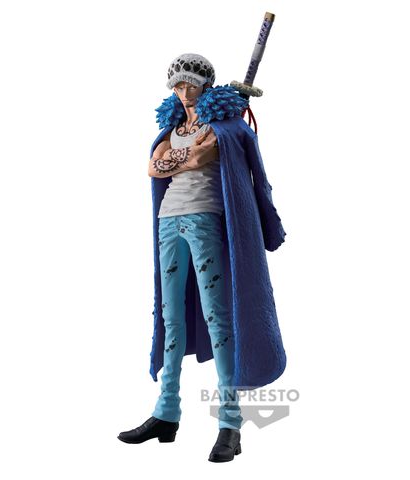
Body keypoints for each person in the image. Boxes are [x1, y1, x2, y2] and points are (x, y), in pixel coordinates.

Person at [118, 53, 287, 463]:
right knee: (170, 316)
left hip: (204, 220)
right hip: (168, 222)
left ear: (205, 85)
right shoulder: (172, 129)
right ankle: (166, 413)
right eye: (177, 85)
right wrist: (181, 157)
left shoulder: (224, 128)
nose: (184, 91)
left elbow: (199, 160)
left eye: (190, 84)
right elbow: (154, 167)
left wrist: (177, 160)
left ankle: (230, 423)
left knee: (218, 318)